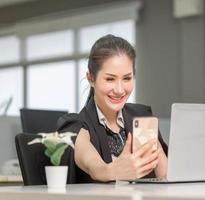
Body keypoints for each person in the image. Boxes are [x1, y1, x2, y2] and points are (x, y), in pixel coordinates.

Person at [57, 34, 168, 183]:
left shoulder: (142, 117)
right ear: (91, 78)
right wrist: (112, 171)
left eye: (127, 78)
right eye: (110, 79)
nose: (119, 90)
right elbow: (94, 167)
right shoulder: (75, 125)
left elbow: (167, 179)